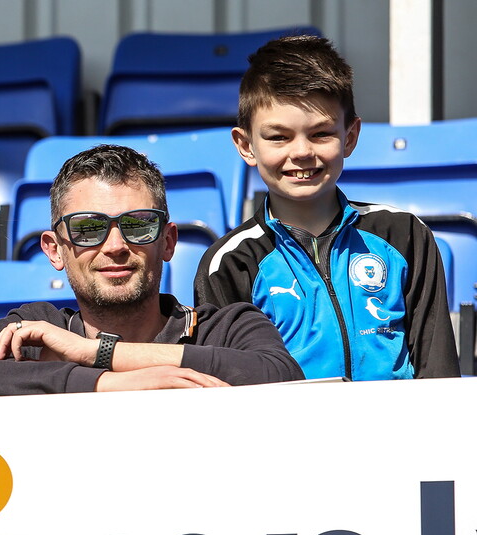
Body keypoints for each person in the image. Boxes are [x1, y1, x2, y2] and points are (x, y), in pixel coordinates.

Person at [0, 144, 303, 399]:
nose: (115, 245)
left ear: (168, 241)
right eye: (88, 228)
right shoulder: (36, 328)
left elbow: (281, 377)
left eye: (139, 224)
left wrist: (96, 352)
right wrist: (109, 382)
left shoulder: (227, 326)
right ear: (54, 250)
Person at [193, 35, 458, 380]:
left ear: (350, 136)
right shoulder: (228, 264)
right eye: (278, 137)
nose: (302, 152)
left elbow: (438, 372)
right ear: (246, 145)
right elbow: (227, 384)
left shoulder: (405, 235)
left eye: (320, 134)